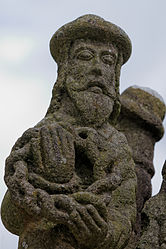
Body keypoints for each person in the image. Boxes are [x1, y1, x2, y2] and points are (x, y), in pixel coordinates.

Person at [1, 14, 137, 249]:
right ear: (65, 70)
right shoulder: (44, 133)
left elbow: (124, 217)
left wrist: (102, 235)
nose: (97, 69)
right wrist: (51, 180)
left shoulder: (117, 145)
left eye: (107, 60)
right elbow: (11, 217)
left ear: (115, 76)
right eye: (85, 56)